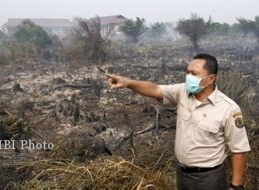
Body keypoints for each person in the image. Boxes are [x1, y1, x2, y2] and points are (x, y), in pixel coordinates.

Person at [106, 53, 251, 190]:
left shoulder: (228, 108)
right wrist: (127, 83)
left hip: (209, 178)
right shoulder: (182, 91)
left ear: (211, 78)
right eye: (187, 72)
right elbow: (155, 89)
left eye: (194, 74)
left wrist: (236, 186)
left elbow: (239, 149)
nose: (188, 77)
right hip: (182, 175)